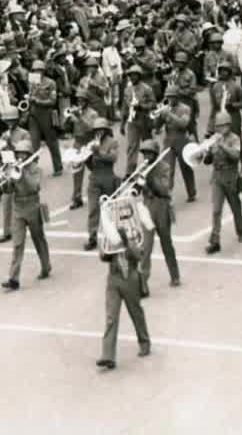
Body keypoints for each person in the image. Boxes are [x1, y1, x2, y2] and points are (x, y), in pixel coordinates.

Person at [96, 221, 152, 370]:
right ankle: (108, 355)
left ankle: (144, 342)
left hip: (129, 278)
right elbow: (103, 256)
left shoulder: (132, 231)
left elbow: (139, 255)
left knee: (136, 312)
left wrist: (126, 242)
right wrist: (105, 242)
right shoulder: (110, 234)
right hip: (114, 278)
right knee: (111, 317)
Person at [2, 138, 51, 291]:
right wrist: (6, 179)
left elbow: (35, 187)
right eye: (18, 154)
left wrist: (21, 173)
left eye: (23, 154)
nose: (20, 157)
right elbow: (7, 191)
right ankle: (13, 278)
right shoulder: (13, 168)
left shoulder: (36, 169)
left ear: (29, 155)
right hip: (18, 208)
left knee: (38, 239)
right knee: (17, 244)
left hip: (32, 206)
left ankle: (45, 266)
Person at [137, 138, 181, 290]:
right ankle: (143, 283)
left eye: (149, 153)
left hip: (161, 206)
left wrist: (149, 178)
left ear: (155, 154)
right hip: (148, 206)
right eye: (144, 154)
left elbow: (164, 189)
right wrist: (137, 182)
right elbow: (137, 190)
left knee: (166, 243)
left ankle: (175, 275)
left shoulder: (164, 167)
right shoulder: (142, 168)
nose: (146, 157)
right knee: (146, 246)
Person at [205, 114, 242, 255]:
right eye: (219, 126)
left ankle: (241, 231)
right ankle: (215, 241)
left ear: (229, 125)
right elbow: (207, 161)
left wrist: (221, 145)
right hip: (217, 176)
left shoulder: (234, 139)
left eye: (223, 125)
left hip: (230, 175)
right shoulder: (214, 139)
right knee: (216, 210)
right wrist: (205, 152)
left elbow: (235, 156)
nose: (221, 128)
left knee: (235, 206)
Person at [85, 118, 120, 251]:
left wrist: (98, 152)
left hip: (108, 176)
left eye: (101, 130)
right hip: (95, 176)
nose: (99, 132)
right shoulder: (92, 143)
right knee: (93, 209)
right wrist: (85, 158)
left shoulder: (112, 142)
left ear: (106, 130)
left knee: (110, 208)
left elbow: (113, 158)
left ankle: (114, 235)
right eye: (96, 130)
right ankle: (92, 236)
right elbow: (90, 163)